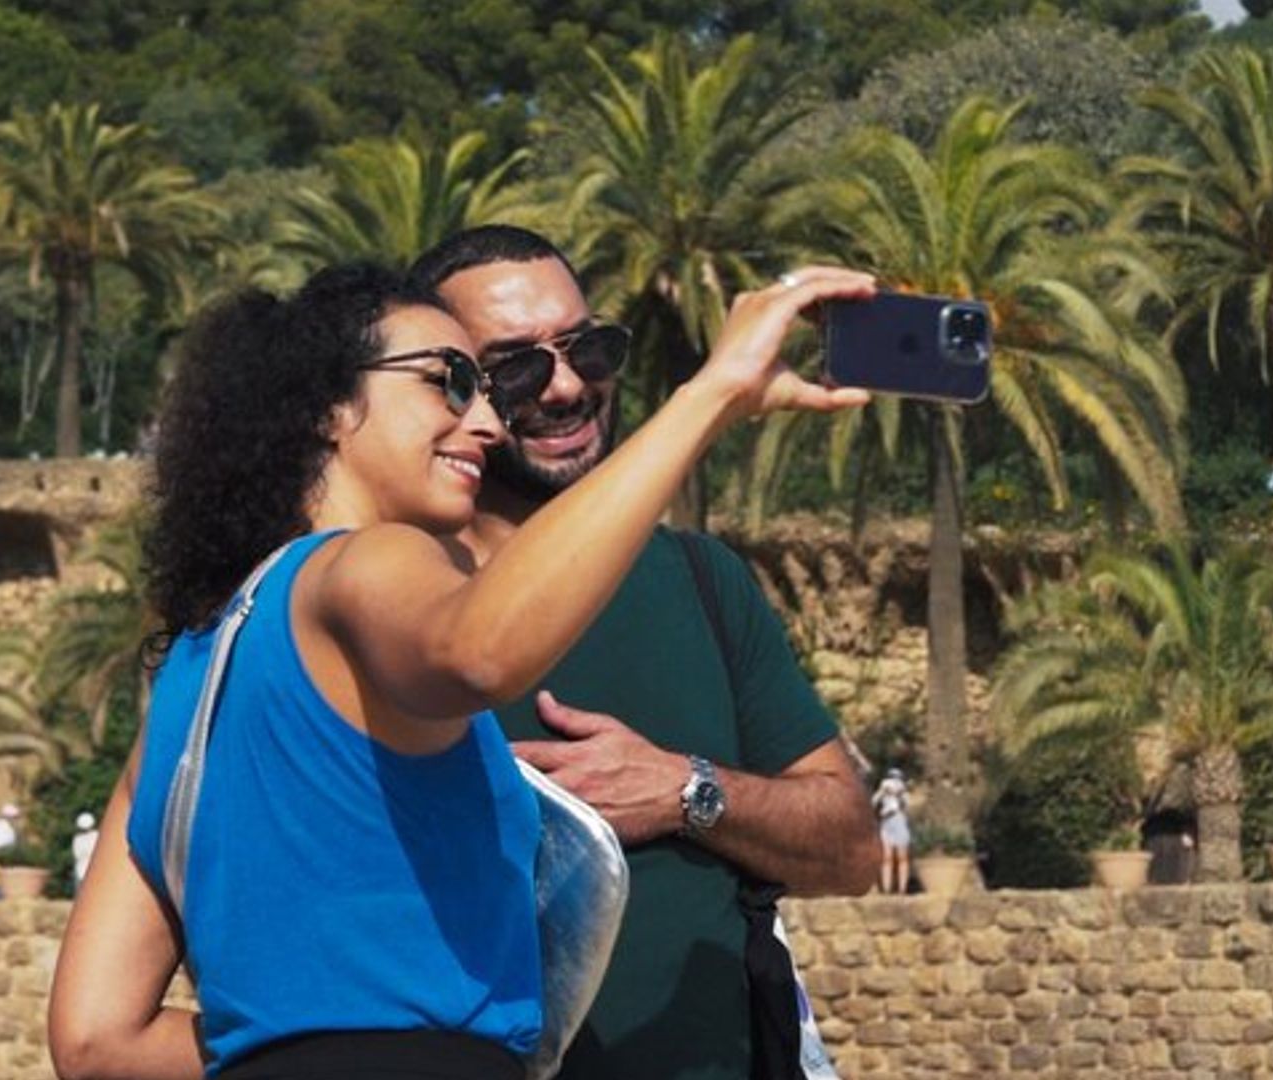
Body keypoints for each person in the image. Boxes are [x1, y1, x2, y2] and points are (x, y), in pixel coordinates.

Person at [48, 262, 872, 1080]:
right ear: (330, 406)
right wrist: (712, 393)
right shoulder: (366, 563)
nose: (485, 420)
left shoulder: (190, 684)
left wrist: (301, 1044)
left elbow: (95, 1040)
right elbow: (482, 652)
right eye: (449, 382)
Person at [411, 225, 878, 1080]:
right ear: (450, 387)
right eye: (515, 365)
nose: (564, 386)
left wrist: (687, 790)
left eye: (587, 347)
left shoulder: (699, 578)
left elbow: (851, 848)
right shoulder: (384, 597)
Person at [873, 768, 912, 895]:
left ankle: (902, 889)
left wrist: (899, 794)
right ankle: (886, 889)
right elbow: (873, 803)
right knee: (887, 858)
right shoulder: (882, 792)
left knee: (902, 858)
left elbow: (907, 805)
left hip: (900, 824)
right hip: (886, 824)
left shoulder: (903, 793)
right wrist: (882, 792)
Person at [71, 811, 99, 891]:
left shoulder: (77, 839)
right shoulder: (97, 836)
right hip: (95, 871)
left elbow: (76, 856)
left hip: (80, 872)